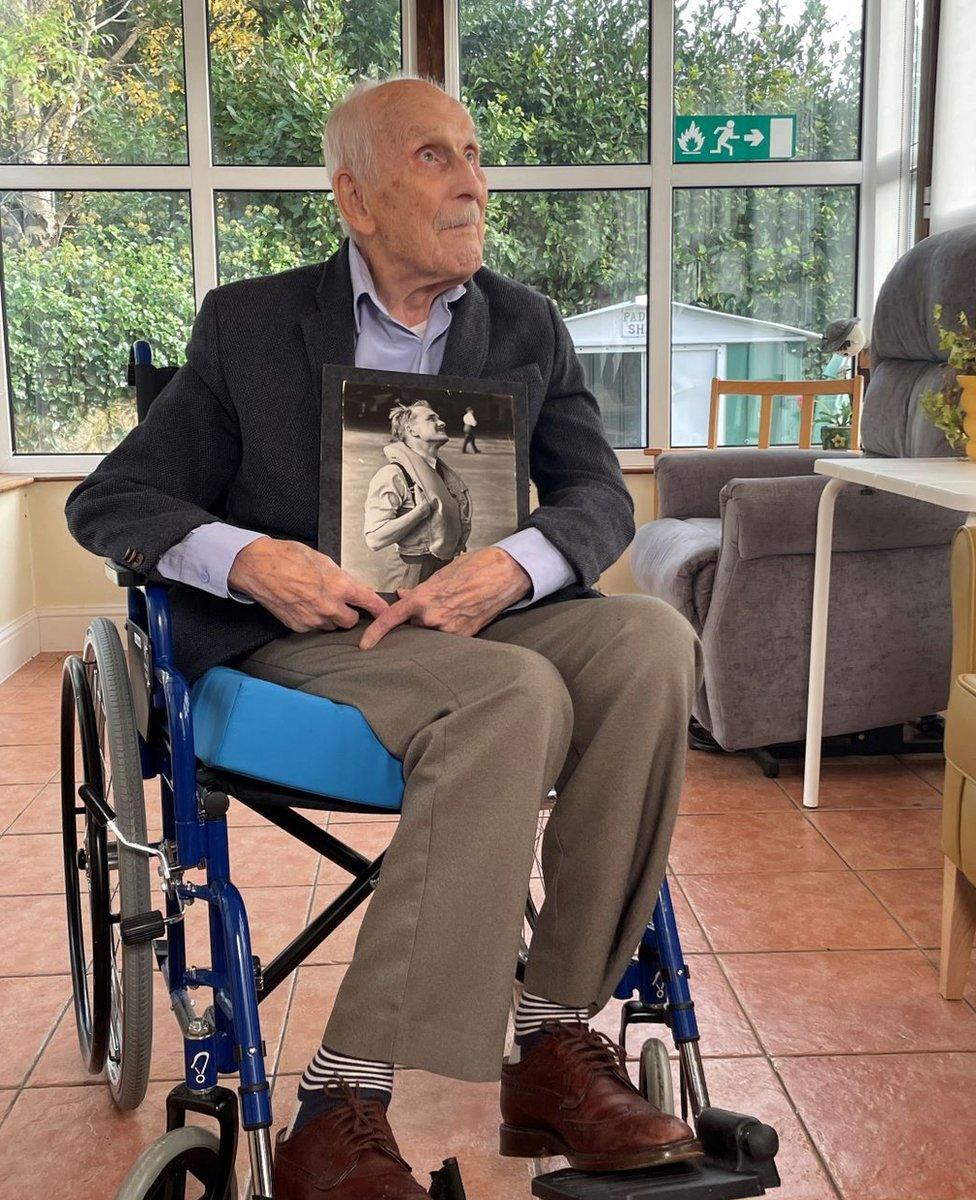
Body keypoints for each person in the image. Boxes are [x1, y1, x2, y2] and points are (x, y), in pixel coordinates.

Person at [64, 72, 703, 1200]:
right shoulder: (250, 326)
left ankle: (552, 1039)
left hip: (491, 620)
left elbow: (598, 497)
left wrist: (514, 564)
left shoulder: (525, 325)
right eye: (434, 159)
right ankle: (339, 1103)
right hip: (316, 640)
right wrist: (247, 557)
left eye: (471, 153)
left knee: (652, 642)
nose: (473, 182)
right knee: (514, 697)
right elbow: (115, 502)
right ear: (355, 201)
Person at [362, 400, 472, 590]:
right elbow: (374, 538)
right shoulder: (393, 475)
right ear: (412, 431)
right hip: (411, 573)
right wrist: (419, 512)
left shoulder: (440, 474)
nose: (442, 422)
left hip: (444, 569)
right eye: (431, 419)